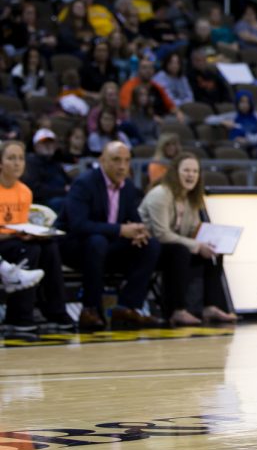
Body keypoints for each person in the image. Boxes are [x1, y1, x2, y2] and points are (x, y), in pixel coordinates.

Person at [56, 141, 164, 330]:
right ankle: (91, 309)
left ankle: (127, 307)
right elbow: (78, 225)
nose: (122, 166)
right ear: (102, 161)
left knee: (150, 245)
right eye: (116, 160)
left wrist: (140, 232)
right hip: (74, 247)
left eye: (126, 161)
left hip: (106, 248)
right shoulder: (84, 183)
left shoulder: (128, 187)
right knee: (97, 241)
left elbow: (134, 220)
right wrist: (120, 230)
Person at [138, 152, 237, 325]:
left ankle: (211, 306)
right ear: (174, 172)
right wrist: (197, 245)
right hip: (148, 248)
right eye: (186, 170)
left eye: (195, 171)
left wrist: (209, 241)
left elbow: (193, 230)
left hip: (174, 247)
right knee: (181, 252)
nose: (191, 175)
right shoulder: (161, 194)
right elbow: (162, 234)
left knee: (214, 252)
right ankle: (177, 310)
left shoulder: (191, 198)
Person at [0, 140, 71, 332]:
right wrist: (17, 235)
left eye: (21, 159)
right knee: (28, 249)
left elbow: (21, 224)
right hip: (3, 241)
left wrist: (30, 234)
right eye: (11, 158)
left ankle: (56, 311)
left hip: (14, 239)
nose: (17, 163)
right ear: (0, 163)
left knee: (49, 247)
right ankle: (19, 317)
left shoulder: (24, 191)